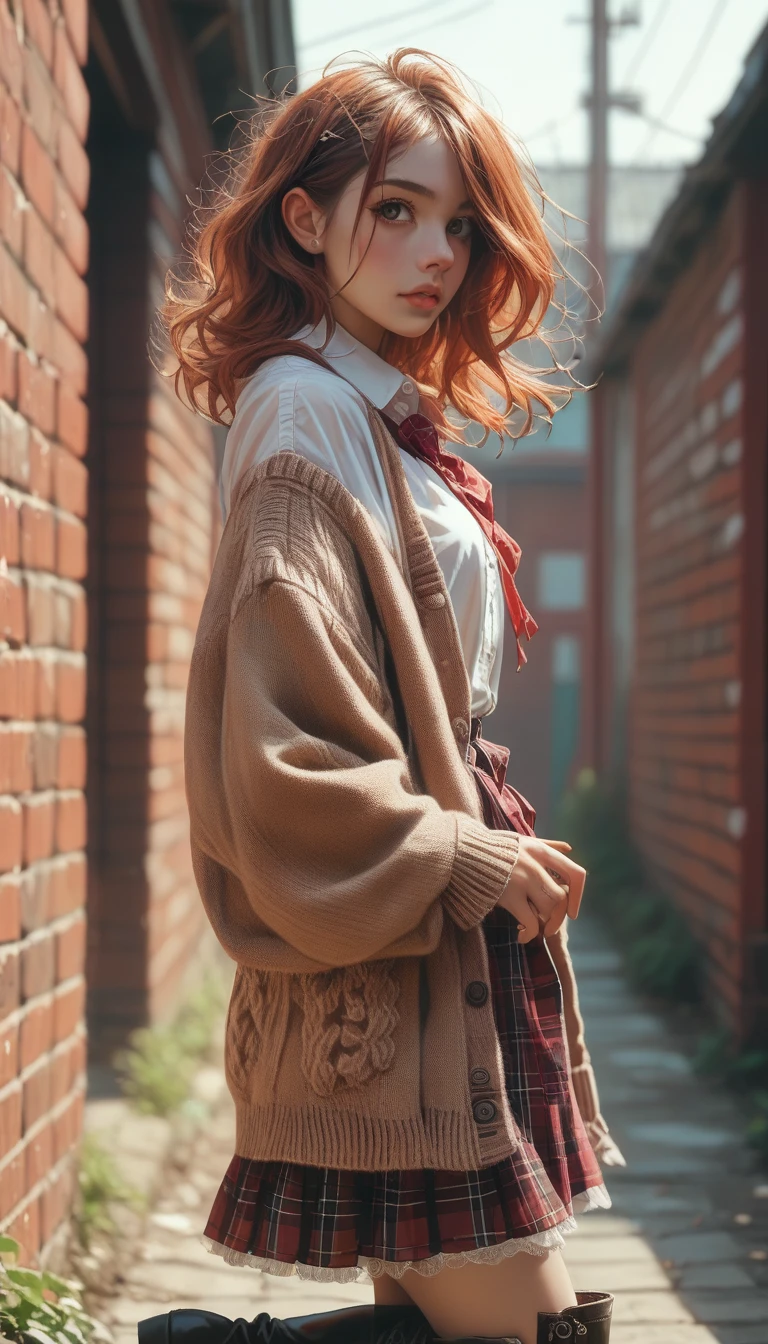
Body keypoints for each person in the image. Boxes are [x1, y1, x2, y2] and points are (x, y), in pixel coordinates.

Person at [143, 47, 624, 1344]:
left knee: (457, 1319)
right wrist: (458, 853)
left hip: (437, 967)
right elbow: (276, 748)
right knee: (538, 1330)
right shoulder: (303, 417)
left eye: (459, 224)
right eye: (397, 209)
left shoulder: (373, 410)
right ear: (304, 218)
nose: (439, 254)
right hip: (400, 957)